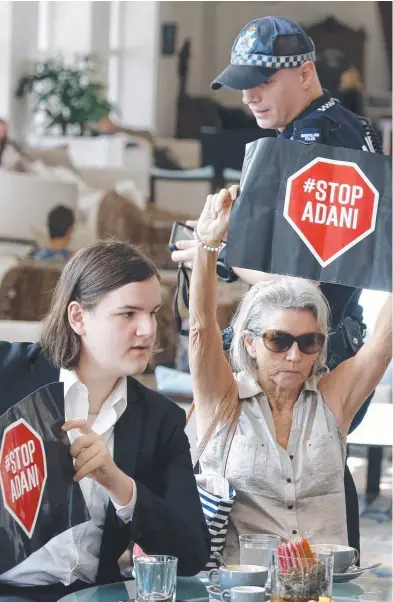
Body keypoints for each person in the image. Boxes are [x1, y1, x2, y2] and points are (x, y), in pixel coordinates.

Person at [171, 16, 384, 555]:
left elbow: (300, 280)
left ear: (306, 71)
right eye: (244, 84)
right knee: (301, 469)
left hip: (311, 338)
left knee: (280, 464)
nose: (249, 96)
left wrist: (214, 255)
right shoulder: (315, 132)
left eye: (262, 81)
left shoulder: (322, 138)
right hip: (315, 330)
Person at [188, 187, 391, 563]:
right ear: (249, 343)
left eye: (309, 342)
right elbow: (202, 329)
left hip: (327, 586)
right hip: (245, 588)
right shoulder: (223, 399)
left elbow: (381, 345)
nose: (295, 356)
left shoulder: (332, 399)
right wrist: (208, 244)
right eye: (278, 340)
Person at [0, 240, 210, 602]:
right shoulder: (9, 376)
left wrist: (121, 486)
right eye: (128, 314)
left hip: (95, 594)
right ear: (78, 317)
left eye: (152, 312)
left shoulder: (160, 421)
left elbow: (191, 553)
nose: (147, 329)